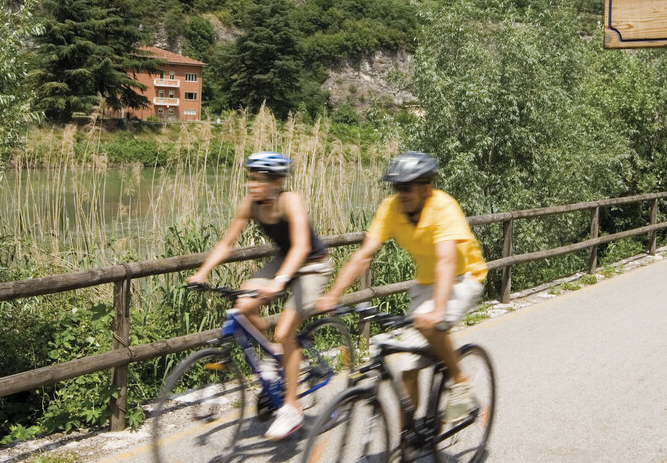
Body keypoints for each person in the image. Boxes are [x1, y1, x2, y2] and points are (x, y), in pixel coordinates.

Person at [315, 151, 487, 425]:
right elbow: (364, 254)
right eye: (397, 187)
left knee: (431, 325)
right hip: (426, 283)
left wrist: (438, 310)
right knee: (408, 366)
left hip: (462, 277)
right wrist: (333, 294)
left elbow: (446, 261)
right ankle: (407, 443)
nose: (401, 193)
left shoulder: (443, 206)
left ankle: (460, 380)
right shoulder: (392, 207)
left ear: (425, 187)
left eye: (406, 187)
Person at [186, 151, 332, 440]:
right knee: (243, 305)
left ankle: (292, 408)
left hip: (313, 265)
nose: (253, 184)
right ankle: (275, 354)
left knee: (286, 329)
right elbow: (226, 243)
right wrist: (202, 273)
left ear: (276, 182)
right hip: (284, 261)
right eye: (251, 178)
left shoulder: (290, 201)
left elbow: (302, 246)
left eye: (260, 179)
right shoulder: (250, 204)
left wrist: (279, 282)